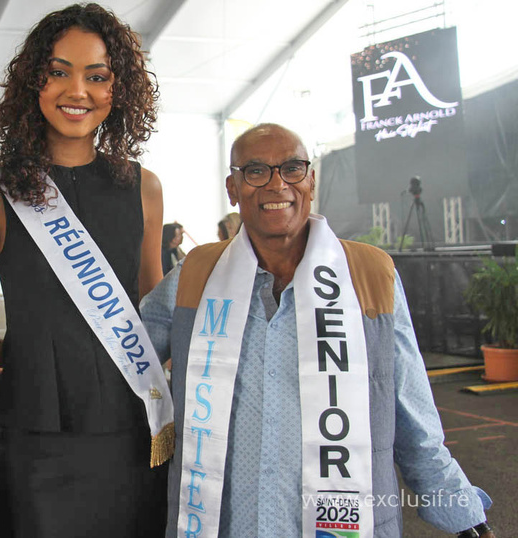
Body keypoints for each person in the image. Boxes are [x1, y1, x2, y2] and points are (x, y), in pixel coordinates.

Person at [141, 123, 494, 537]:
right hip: (219, 523)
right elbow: (123, 360)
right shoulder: (196, 275)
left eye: (291, 168)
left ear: (311, 180)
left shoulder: (369, 275)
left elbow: (412, 412)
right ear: (233, 189)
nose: (276, 185)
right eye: (255, 171)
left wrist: (463, 515)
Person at [0, 4, 171, 536]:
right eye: (58, 72)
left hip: (131, 437)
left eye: (97, 76)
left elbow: (152, 318)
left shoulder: (145, 187)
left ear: (120, 90)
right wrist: (15, 356)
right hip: (33, 443)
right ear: (33, 82)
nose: (78, 91)